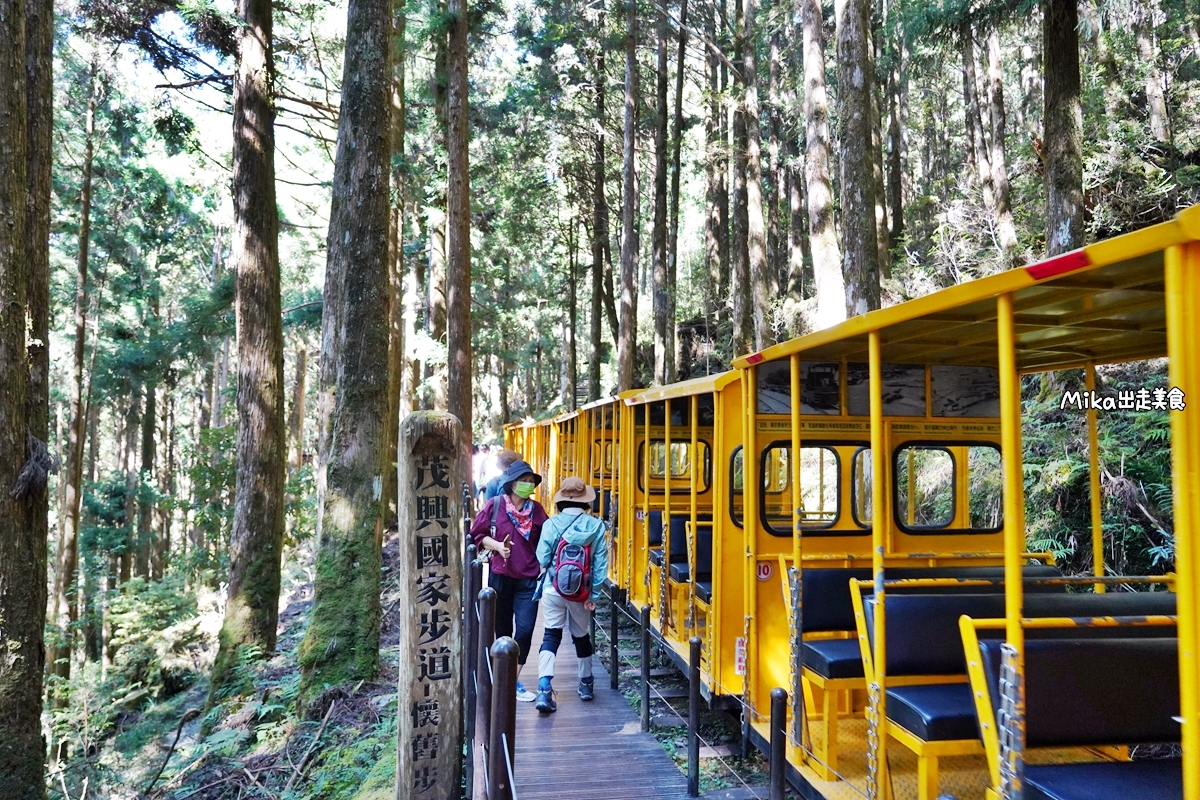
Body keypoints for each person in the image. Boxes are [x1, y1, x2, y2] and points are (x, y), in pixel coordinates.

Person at [471, 459, 548, 702]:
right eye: (523, 481)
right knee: (502, 628)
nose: (527, 485)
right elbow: (476, 534)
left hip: (528, 578)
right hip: (500, 575)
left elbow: (547, 539)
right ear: (511, 483)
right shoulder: (495, 506)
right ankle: (505, 680)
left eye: (530, 481)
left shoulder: (537, 510)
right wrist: (497, 547)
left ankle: (512, 680)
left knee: (524, 630)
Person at [532, 477, 608, 713]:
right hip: (582, 592)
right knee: (581, 637)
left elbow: (542, 559)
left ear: (561, 501)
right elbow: (600, 565)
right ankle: (585, 684)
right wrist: (592, 595)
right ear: (586, 501)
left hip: (553, 588)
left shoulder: (551, 524)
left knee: (550, 635)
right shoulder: (596, 526)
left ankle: (544, 688)